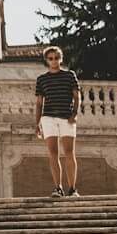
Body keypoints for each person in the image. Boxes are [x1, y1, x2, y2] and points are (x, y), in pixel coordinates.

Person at [34, 45, 81, 197]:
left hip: (67, 117)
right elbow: (39, 103)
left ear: (61, 59)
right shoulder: (41, 79)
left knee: (69, 153)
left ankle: (73, 189)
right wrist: (37, 123)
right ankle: (58, 188)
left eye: (56, 58)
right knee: (53, 153)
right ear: (47, 60)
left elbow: (76, 96)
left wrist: (74, 114)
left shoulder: (70, 75)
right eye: (50, 58)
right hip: (48, 118)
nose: (54, 61)